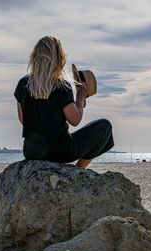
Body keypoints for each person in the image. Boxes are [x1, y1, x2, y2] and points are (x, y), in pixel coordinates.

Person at [14, 35, 114, 168]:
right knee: (105, 127)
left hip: (31, 150)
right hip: (59, 151)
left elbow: (23, 120)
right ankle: (79, 169)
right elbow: (75, 120)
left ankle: (78, 170)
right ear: (58, 58)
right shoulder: (61, 86)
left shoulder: (23, 84)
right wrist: (80, 98)